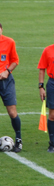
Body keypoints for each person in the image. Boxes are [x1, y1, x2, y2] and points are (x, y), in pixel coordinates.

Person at [0, 23, 22, 152]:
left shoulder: (9, 42)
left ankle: (18, 139)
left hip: (6, 81)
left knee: (12, 112)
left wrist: (7, 71)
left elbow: (15, 61)